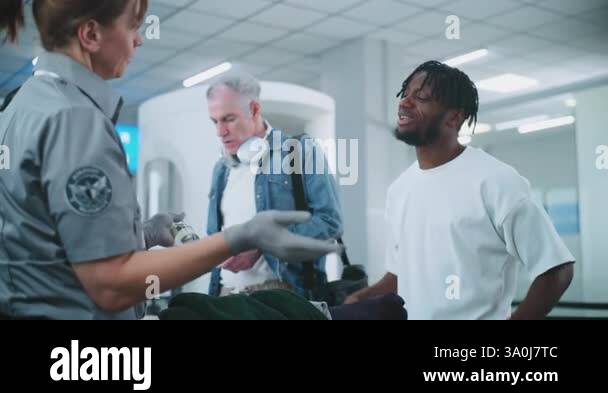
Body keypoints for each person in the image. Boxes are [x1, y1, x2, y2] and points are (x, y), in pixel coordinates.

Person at [0, 0, 341, 320]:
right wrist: (239, 237)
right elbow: (111, 285)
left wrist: (140, 234)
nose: (139, 40)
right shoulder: (76, 119)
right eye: (133, 26)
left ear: (254, 110)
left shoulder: (21, 106)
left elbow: (54, 243)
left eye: (229, 119)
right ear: (90, 35)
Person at [345, 61, 574, 320]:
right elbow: (400, 275)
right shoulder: (400, 189)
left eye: (421, 97)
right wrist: (359, 299)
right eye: (405, 94)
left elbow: (556, 270)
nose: (405, 103)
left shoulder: (496, 181)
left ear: (454, 117)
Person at [205, 72, 344, 299]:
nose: (220, 132)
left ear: (255, 110)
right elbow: (214, 234)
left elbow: (330, 222)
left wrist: (262, 247)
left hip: (280, 294)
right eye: (215, 121)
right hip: (225, 295)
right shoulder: (222, 168)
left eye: (229, 119)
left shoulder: (300, 151)